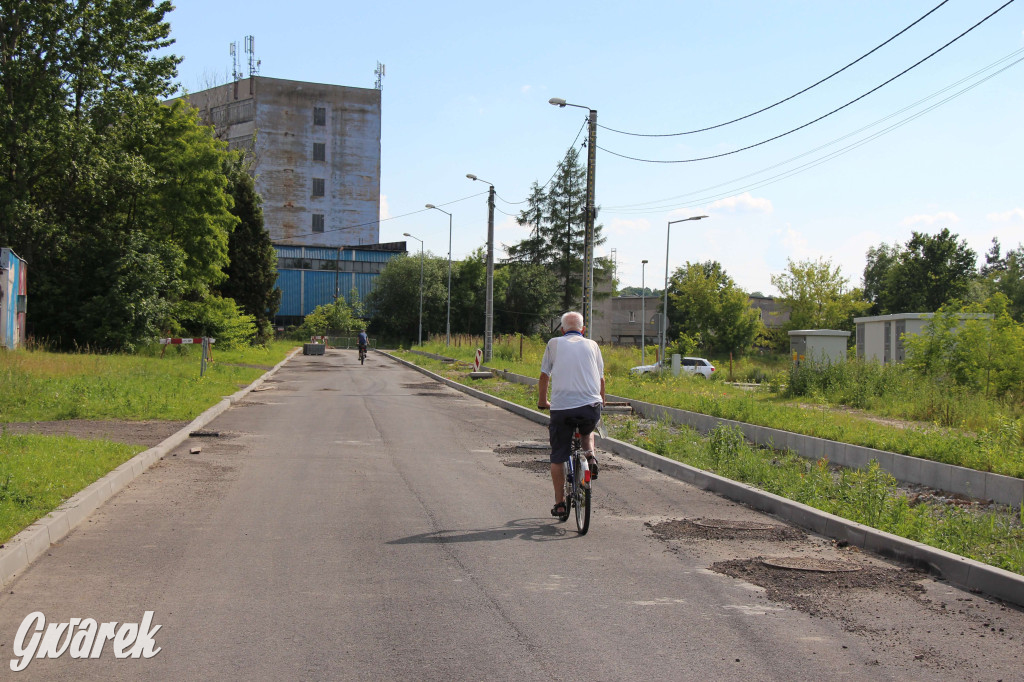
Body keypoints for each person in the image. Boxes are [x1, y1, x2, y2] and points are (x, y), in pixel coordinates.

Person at [537, 311, 605, 519]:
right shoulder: (593, 345)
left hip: (562, 408)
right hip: (590, 406)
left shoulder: (554, 343)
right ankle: (590, 456)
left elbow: (544, 376)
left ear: (563, 329)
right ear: (583, 330)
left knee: (558, 456)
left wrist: (542, 402)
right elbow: (601, 381)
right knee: (588, 430)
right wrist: (601, 403)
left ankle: (559, 504)